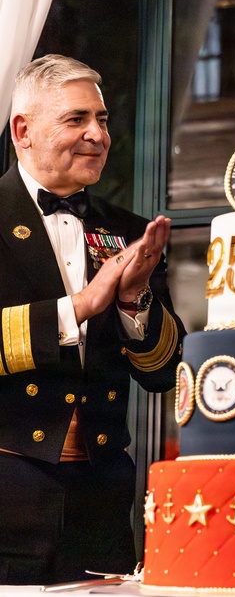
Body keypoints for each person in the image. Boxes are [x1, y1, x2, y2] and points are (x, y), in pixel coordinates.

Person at [0, 55, 185, 584]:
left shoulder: (129, 232)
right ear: (23, 130)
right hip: (9, 490)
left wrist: (132, 304)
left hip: (102, 495)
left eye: (102, 120)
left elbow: (164, 373)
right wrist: (79, 306)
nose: (96, 135)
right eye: (76, 119)